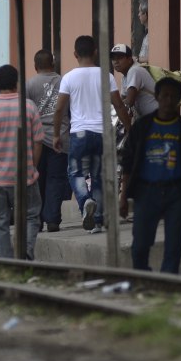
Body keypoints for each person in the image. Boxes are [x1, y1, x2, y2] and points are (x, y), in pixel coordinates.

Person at [119, 77, 181, 273]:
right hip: (146, 192)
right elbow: (127, 163)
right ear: (156, 97)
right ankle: (144, 279)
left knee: (174, 247)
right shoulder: (142, 127)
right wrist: (123, 196)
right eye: (164, 95)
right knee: (139, 245)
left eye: (173, 97)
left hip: (177, 194)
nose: (168, 100)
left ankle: (168, 285)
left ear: (178, 100)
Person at [53, 36, 130, 233]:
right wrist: (130, 127)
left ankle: (85, 201)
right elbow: (119, 105)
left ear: (75, 54)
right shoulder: (106, 76)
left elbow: (59, 109)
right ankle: (96, 221)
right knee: (99, 177)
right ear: (95, 51)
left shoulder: (68, 78)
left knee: (75, 173)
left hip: (79, 133)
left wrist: (56, 135)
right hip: (103, 134)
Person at [0, 64, 44, 260]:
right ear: (16, 83)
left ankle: (5, 261)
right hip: (25, 178)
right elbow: (38, 143)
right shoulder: (29, 107)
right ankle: (25, 254)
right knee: (30, 217)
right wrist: (32, 167)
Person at [27, 50, 70, 232]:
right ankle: (52, 219)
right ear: (53, 65)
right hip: (60, 137)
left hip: (37, 140)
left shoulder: (29, 84)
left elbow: (26, 113)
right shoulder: (64, 81)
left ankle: (36, 221)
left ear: (35, 66)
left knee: (38, 178)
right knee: (56, 179)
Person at [110, 43, 159, 123]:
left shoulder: (135, 71)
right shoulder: (125, 77)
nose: (116, 62)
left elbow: (129, 101)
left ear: (129, 59)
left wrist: (112, 107)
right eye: (113, 59)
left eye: (119, 58)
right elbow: (122, 100)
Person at [136, 0, 150, 65]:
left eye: (140, 12)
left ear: (145, 14)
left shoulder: (153, 34)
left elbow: (152, 57)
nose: (138, 15)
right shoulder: (147, 33)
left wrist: (137, 59)